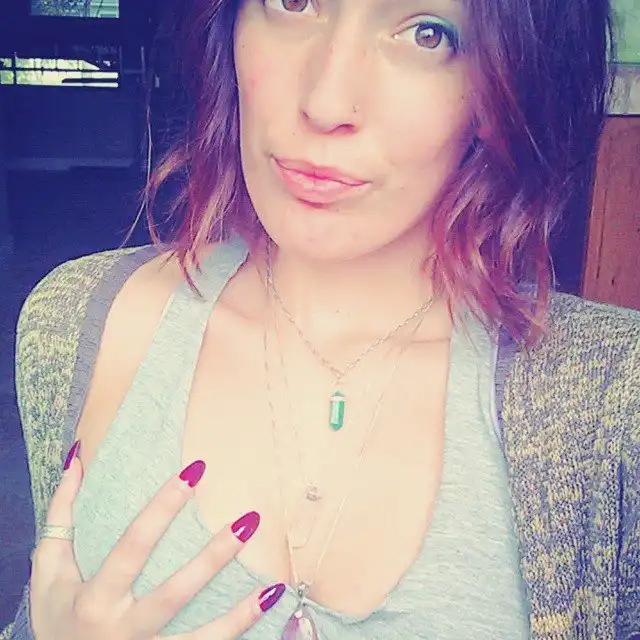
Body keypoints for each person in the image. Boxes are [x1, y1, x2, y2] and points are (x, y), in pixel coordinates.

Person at [3, 0, 639, 638]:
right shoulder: (81, 321)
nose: (326, 102)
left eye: (427, 33)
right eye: (294, 1)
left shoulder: (613, 401)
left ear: (507, 85)